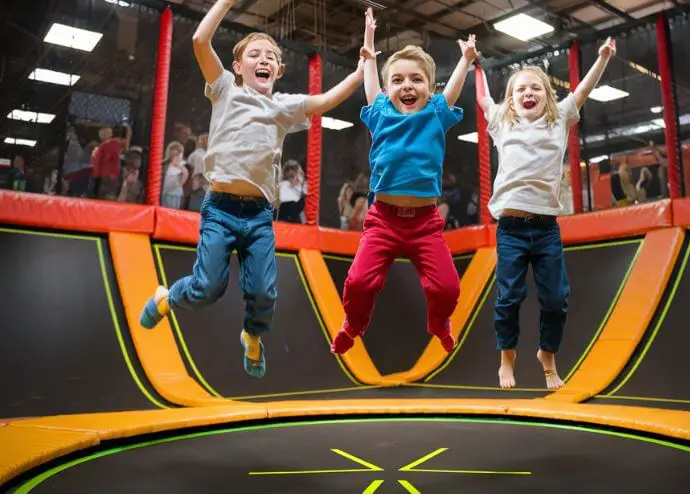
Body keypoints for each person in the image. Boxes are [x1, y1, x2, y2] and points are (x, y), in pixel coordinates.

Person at [139, 0, 367, 378]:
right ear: (238, 67)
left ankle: (253, 335)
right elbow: (199, 39)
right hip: (220, 208)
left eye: (271, 57)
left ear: (277, 70)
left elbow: (325, 101)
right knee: (206, 288)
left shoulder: (283, 106)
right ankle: (168, 296)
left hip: (259, 215)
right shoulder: (225, 89)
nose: (263, 60)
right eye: (254, 55)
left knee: (264, 292)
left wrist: (359, 73)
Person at [329, 8, 476, 355]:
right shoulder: (380, 113)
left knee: (446, 289)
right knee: (360, 281)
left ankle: (439, 322)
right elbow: (369, 80)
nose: (407, 86)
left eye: (416, 79)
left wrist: (466, 59)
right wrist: (367, 45)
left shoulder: (435, 114)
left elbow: (452, 90)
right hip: (383, 220)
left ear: (429, 88)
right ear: (387, 88)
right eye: (397, 80)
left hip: (425, 224)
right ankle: (354, 323)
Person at [477, 37, 617, 390]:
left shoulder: (559, 120)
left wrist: (601, 58)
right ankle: (506, 360)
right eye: (521, 89)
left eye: (536, 88)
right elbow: (483, 99)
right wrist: (475, 64)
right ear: (511, 98)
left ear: (547, 95)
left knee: (556, 297)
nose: (529, 93)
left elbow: (582, 91)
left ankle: (547, 357)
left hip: (546, 228)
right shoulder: (502, 122)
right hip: (510, 228)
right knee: (509, 296)